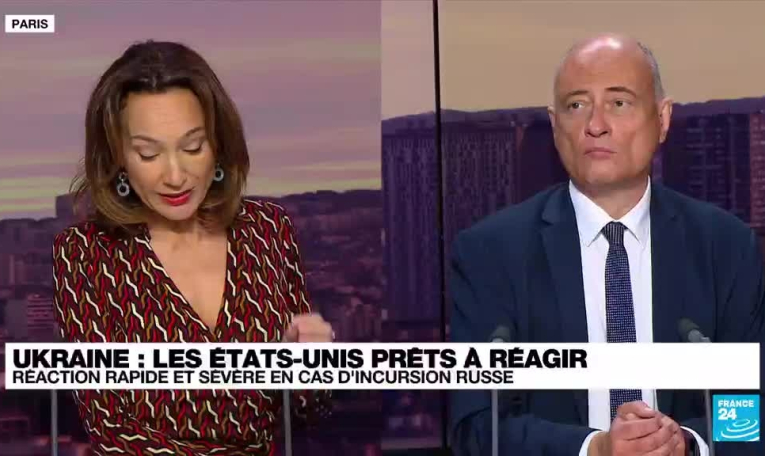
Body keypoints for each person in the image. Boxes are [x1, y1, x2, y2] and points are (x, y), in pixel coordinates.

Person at [449, 34, 764, 456]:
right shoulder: (491, 253)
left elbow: (752, 410)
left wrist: (687, 444)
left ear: (663, 118)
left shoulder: (725, 247)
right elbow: (476, 427)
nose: (595, 125)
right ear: (554, 124)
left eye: (619, 102)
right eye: (576, 105)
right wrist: (593, 448)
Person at [52, 40, 334, 455]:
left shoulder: (269, 231)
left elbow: (308, 413)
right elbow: (110, 427)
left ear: (218, 144)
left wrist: (315, 365)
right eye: (148, 153)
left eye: (192, 147)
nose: (175, 175)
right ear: (118, 158)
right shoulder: (84, 253)